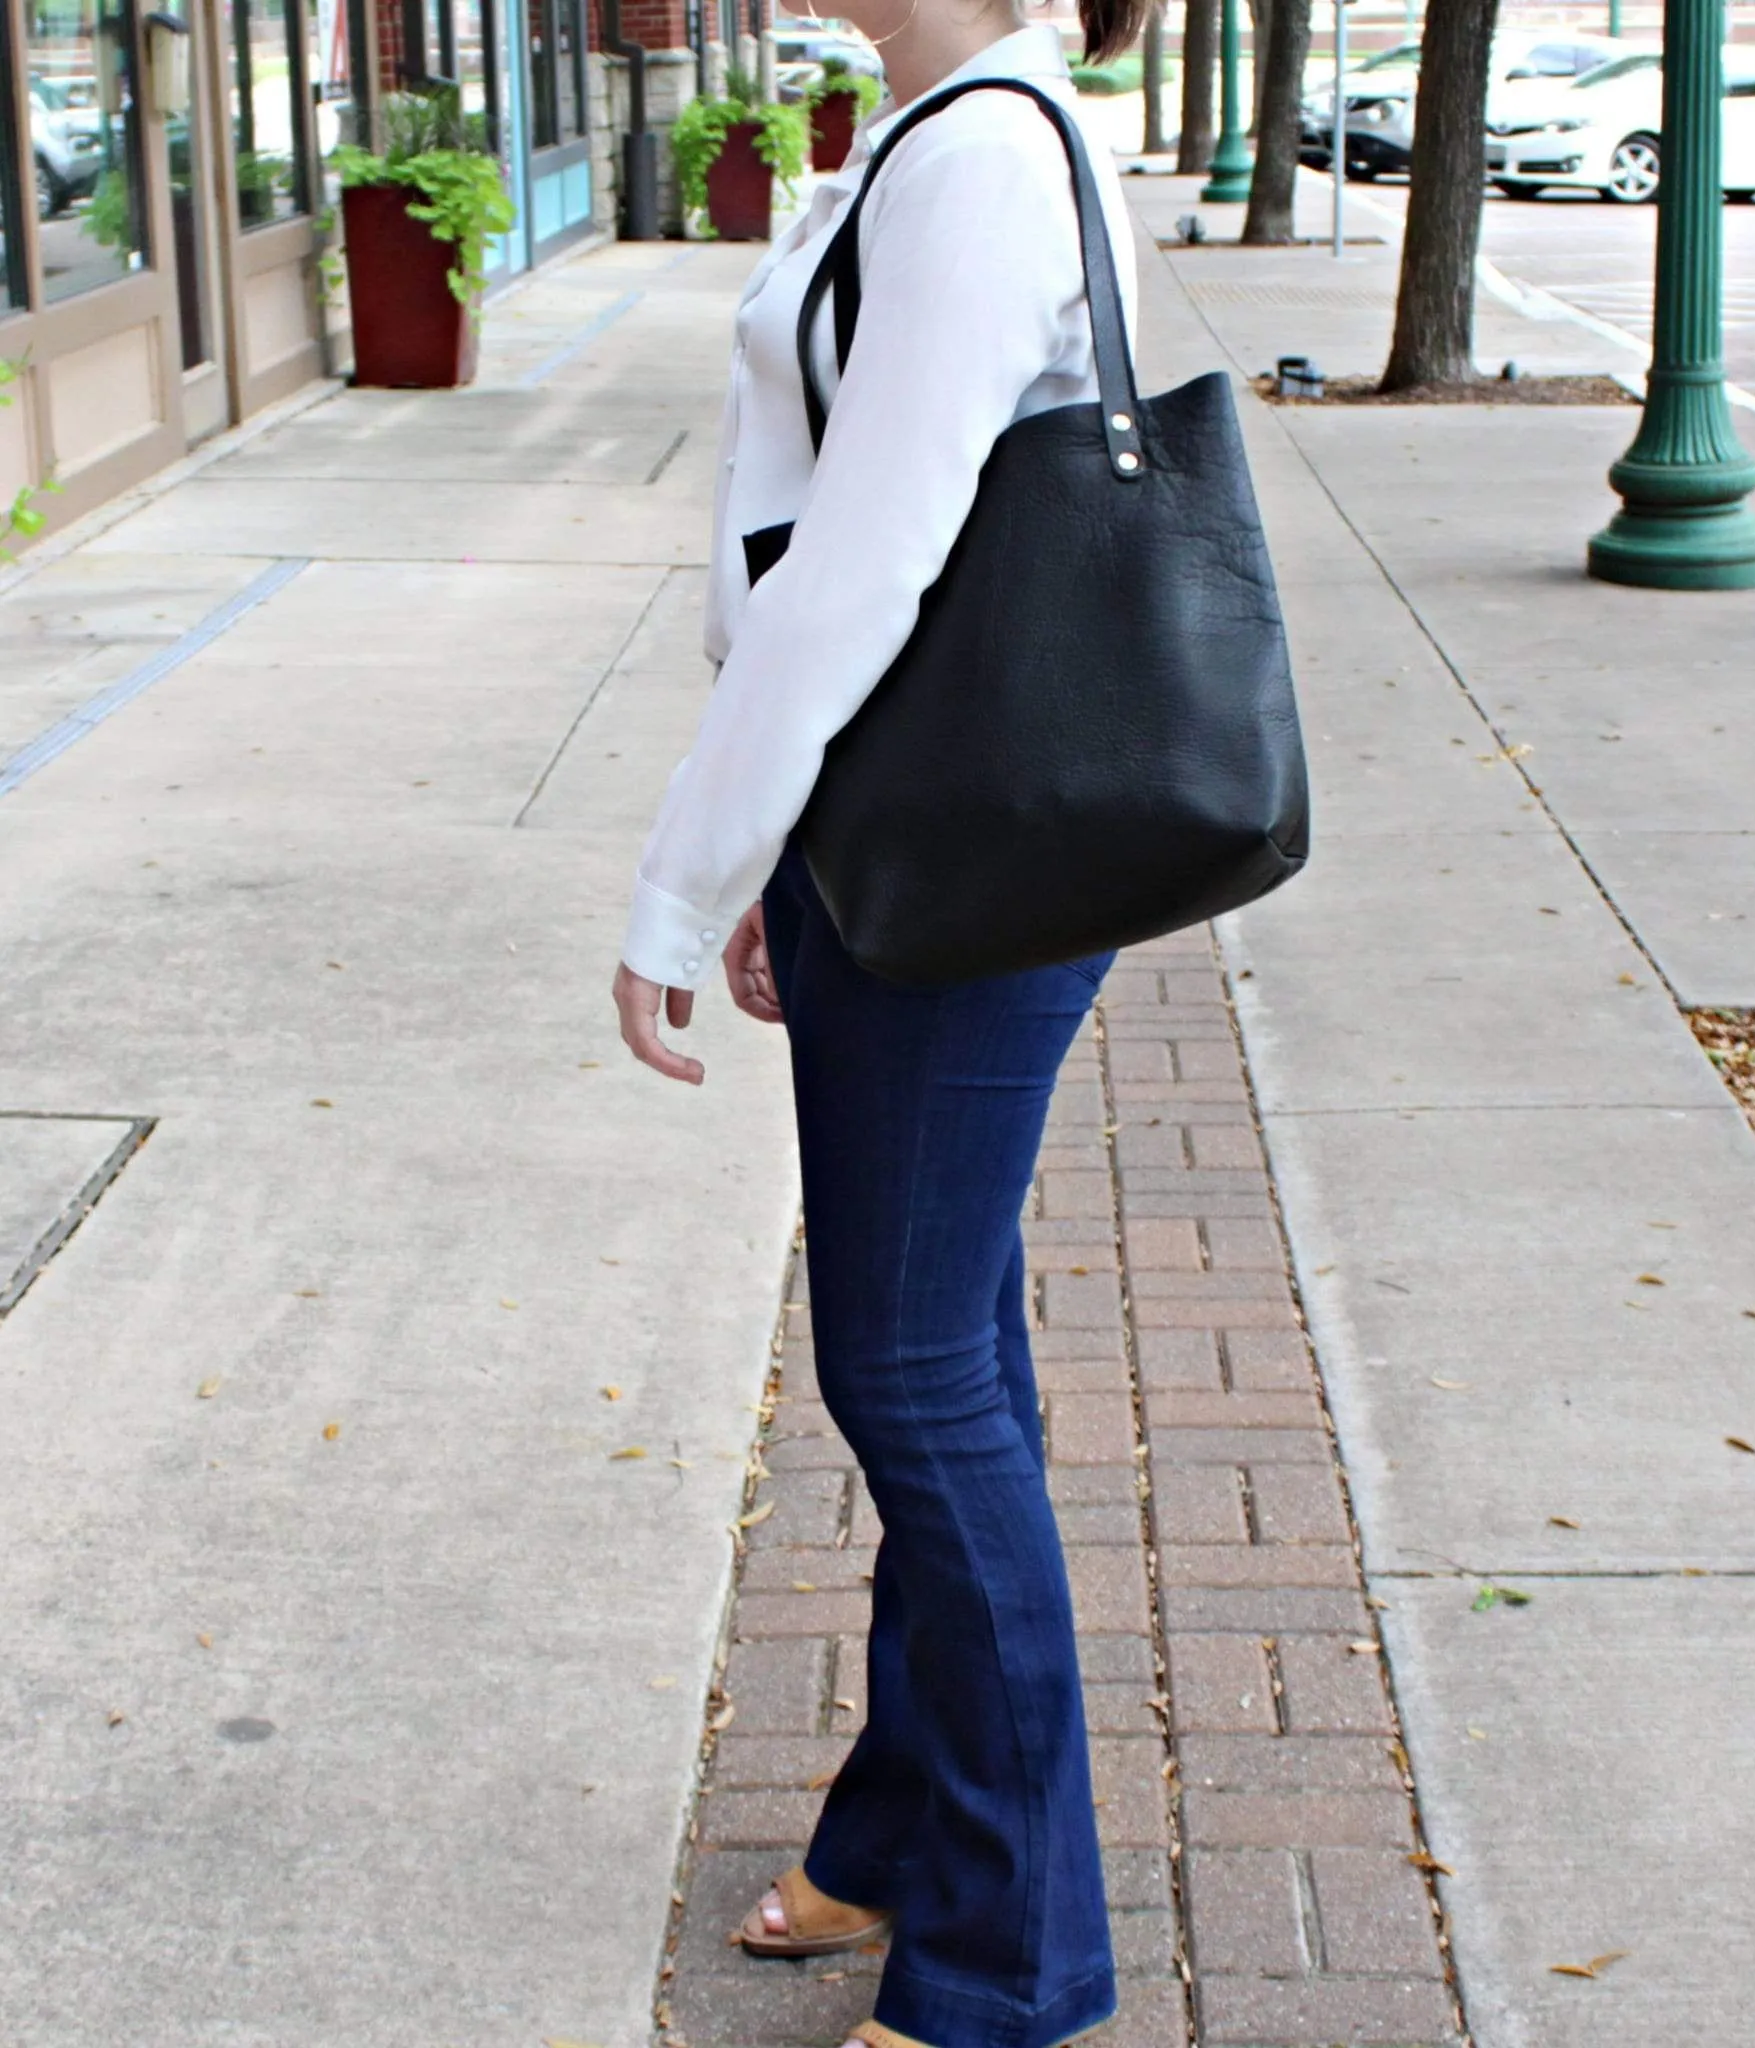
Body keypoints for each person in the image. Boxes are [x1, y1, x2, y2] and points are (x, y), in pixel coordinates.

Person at [610, 2, 1146, 2044]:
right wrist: (773, 857)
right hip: (909, 833)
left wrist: (684, 870)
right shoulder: (934, 134)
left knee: (917, 1380)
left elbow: (857, 569)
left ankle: (1013, 1966)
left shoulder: (990, 156)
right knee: (947, 1359)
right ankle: (908, 1832)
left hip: (972, 849)